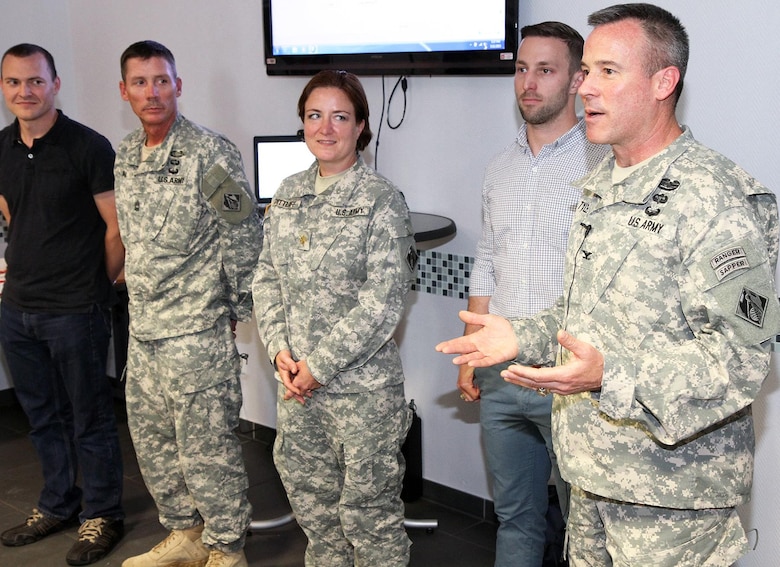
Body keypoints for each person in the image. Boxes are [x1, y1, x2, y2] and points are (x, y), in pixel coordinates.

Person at [437, 4, 780, 566]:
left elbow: (742, 364)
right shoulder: (600, 185)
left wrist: (609, 375)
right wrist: (519, 334)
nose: (586, 88)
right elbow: (580, 321)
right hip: (592, 479)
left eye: (608, 72)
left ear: (663, 82)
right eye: (587, 71)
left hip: (669, 499)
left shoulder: (715, 196)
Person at [458, 22, 609, 567]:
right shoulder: (500, 167)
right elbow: (487, 264)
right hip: (502, 375)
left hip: (570, 378)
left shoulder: (604, 164)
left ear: (575, 81)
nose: (529, 82)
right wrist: (472, 352)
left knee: (586, 530)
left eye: (546, 70)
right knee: (515, 518)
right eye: (522, 69)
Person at [253, 69, 418, 567]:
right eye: (314, 116)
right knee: (316, 517)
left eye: (340, 117)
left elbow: (383, 303)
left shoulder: (381, 201)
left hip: (360, 396)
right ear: (302, 123)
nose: (326, 129)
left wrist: (317, 367)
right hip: (298, 392)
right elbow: (266, 276)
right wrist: (279, 350)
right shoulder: (286, 192)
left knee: (370, 521)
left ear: (361, 126)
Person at [114, 41, 261, 567]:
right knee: (153, 446)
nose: (151, 92)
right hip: (145, 329)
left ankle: (226, 548)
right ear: (125, 90)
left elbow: (243, 231)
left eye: (161, 80)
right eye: (140, 82)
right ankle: (185, 535)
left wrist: (235, 310)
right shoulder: (126, 153)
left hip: (196, 330)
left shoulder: (209, 152)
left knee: (207, 450)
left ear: (178, 85)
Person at [0, 43, 125, 566]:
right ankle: (57, 503)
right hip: (18, 310)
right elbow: (11, 215)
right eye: (13, 82)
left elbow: (118, 227)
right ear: (3, 88)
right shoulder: (1, 147)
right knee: (42, 417)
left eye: (35, 81)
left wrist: (98, 286)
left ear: (55, 83)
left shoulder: (88, 147)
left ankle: (103, 515)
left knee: (89, 417)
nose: (24, 92)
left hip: (77, 309)